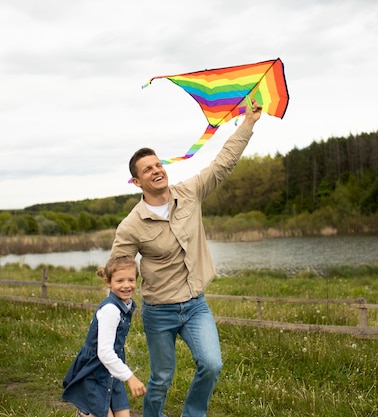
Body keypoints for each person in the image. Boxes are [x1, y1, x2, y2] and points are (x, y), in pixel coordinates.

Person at [110, 98, 263, 417]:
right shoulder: (131, 225)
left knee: (212, 364)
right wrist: (114, 314)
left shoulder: (190, 192)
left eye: (158, 165)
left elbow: (223, 163)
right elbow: (119, 270)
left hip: (195, 304)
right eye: (147, 170)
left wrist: (247, 123)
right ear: (137, 182)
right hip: (159, 310)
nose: (156, 171)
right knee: (162, 378)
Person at [62, 255, 147, 417]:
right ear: (108, 282)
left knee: (123, 414)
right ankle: (84, 414)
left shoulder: (126, 305)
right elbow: (104, 352)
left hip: (111, 371)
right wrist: (130, 377)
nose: (126, 285)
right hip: (94, 370)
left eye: (131, 280)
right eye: (120, 281)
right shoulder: (111, 310)